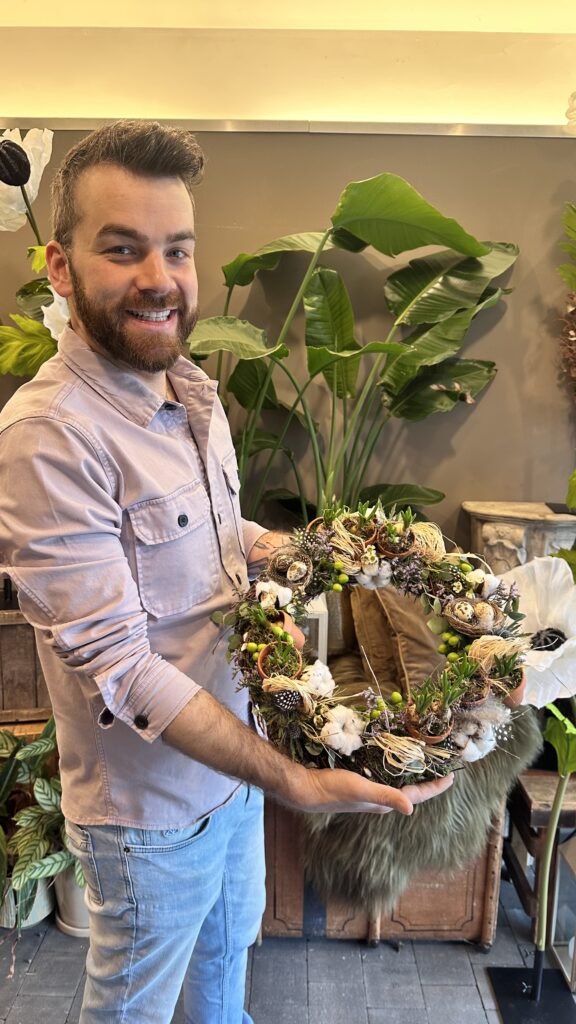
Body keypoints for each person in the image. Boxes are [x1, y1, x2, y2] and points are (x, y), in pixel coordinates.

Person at [0, 121, 452, 1024]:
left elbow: (210, 533)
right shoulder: (49, 438)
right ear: (60, 266)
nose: (159, 277)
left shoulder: (188, 391)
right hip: (149, 817)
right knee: (130, 1011)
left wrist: (312, 553)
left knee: (222, 995)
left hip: (232, 780)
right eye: (122, 249)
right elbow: (123, 668)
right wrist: (296, 780)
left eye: (177, 249)